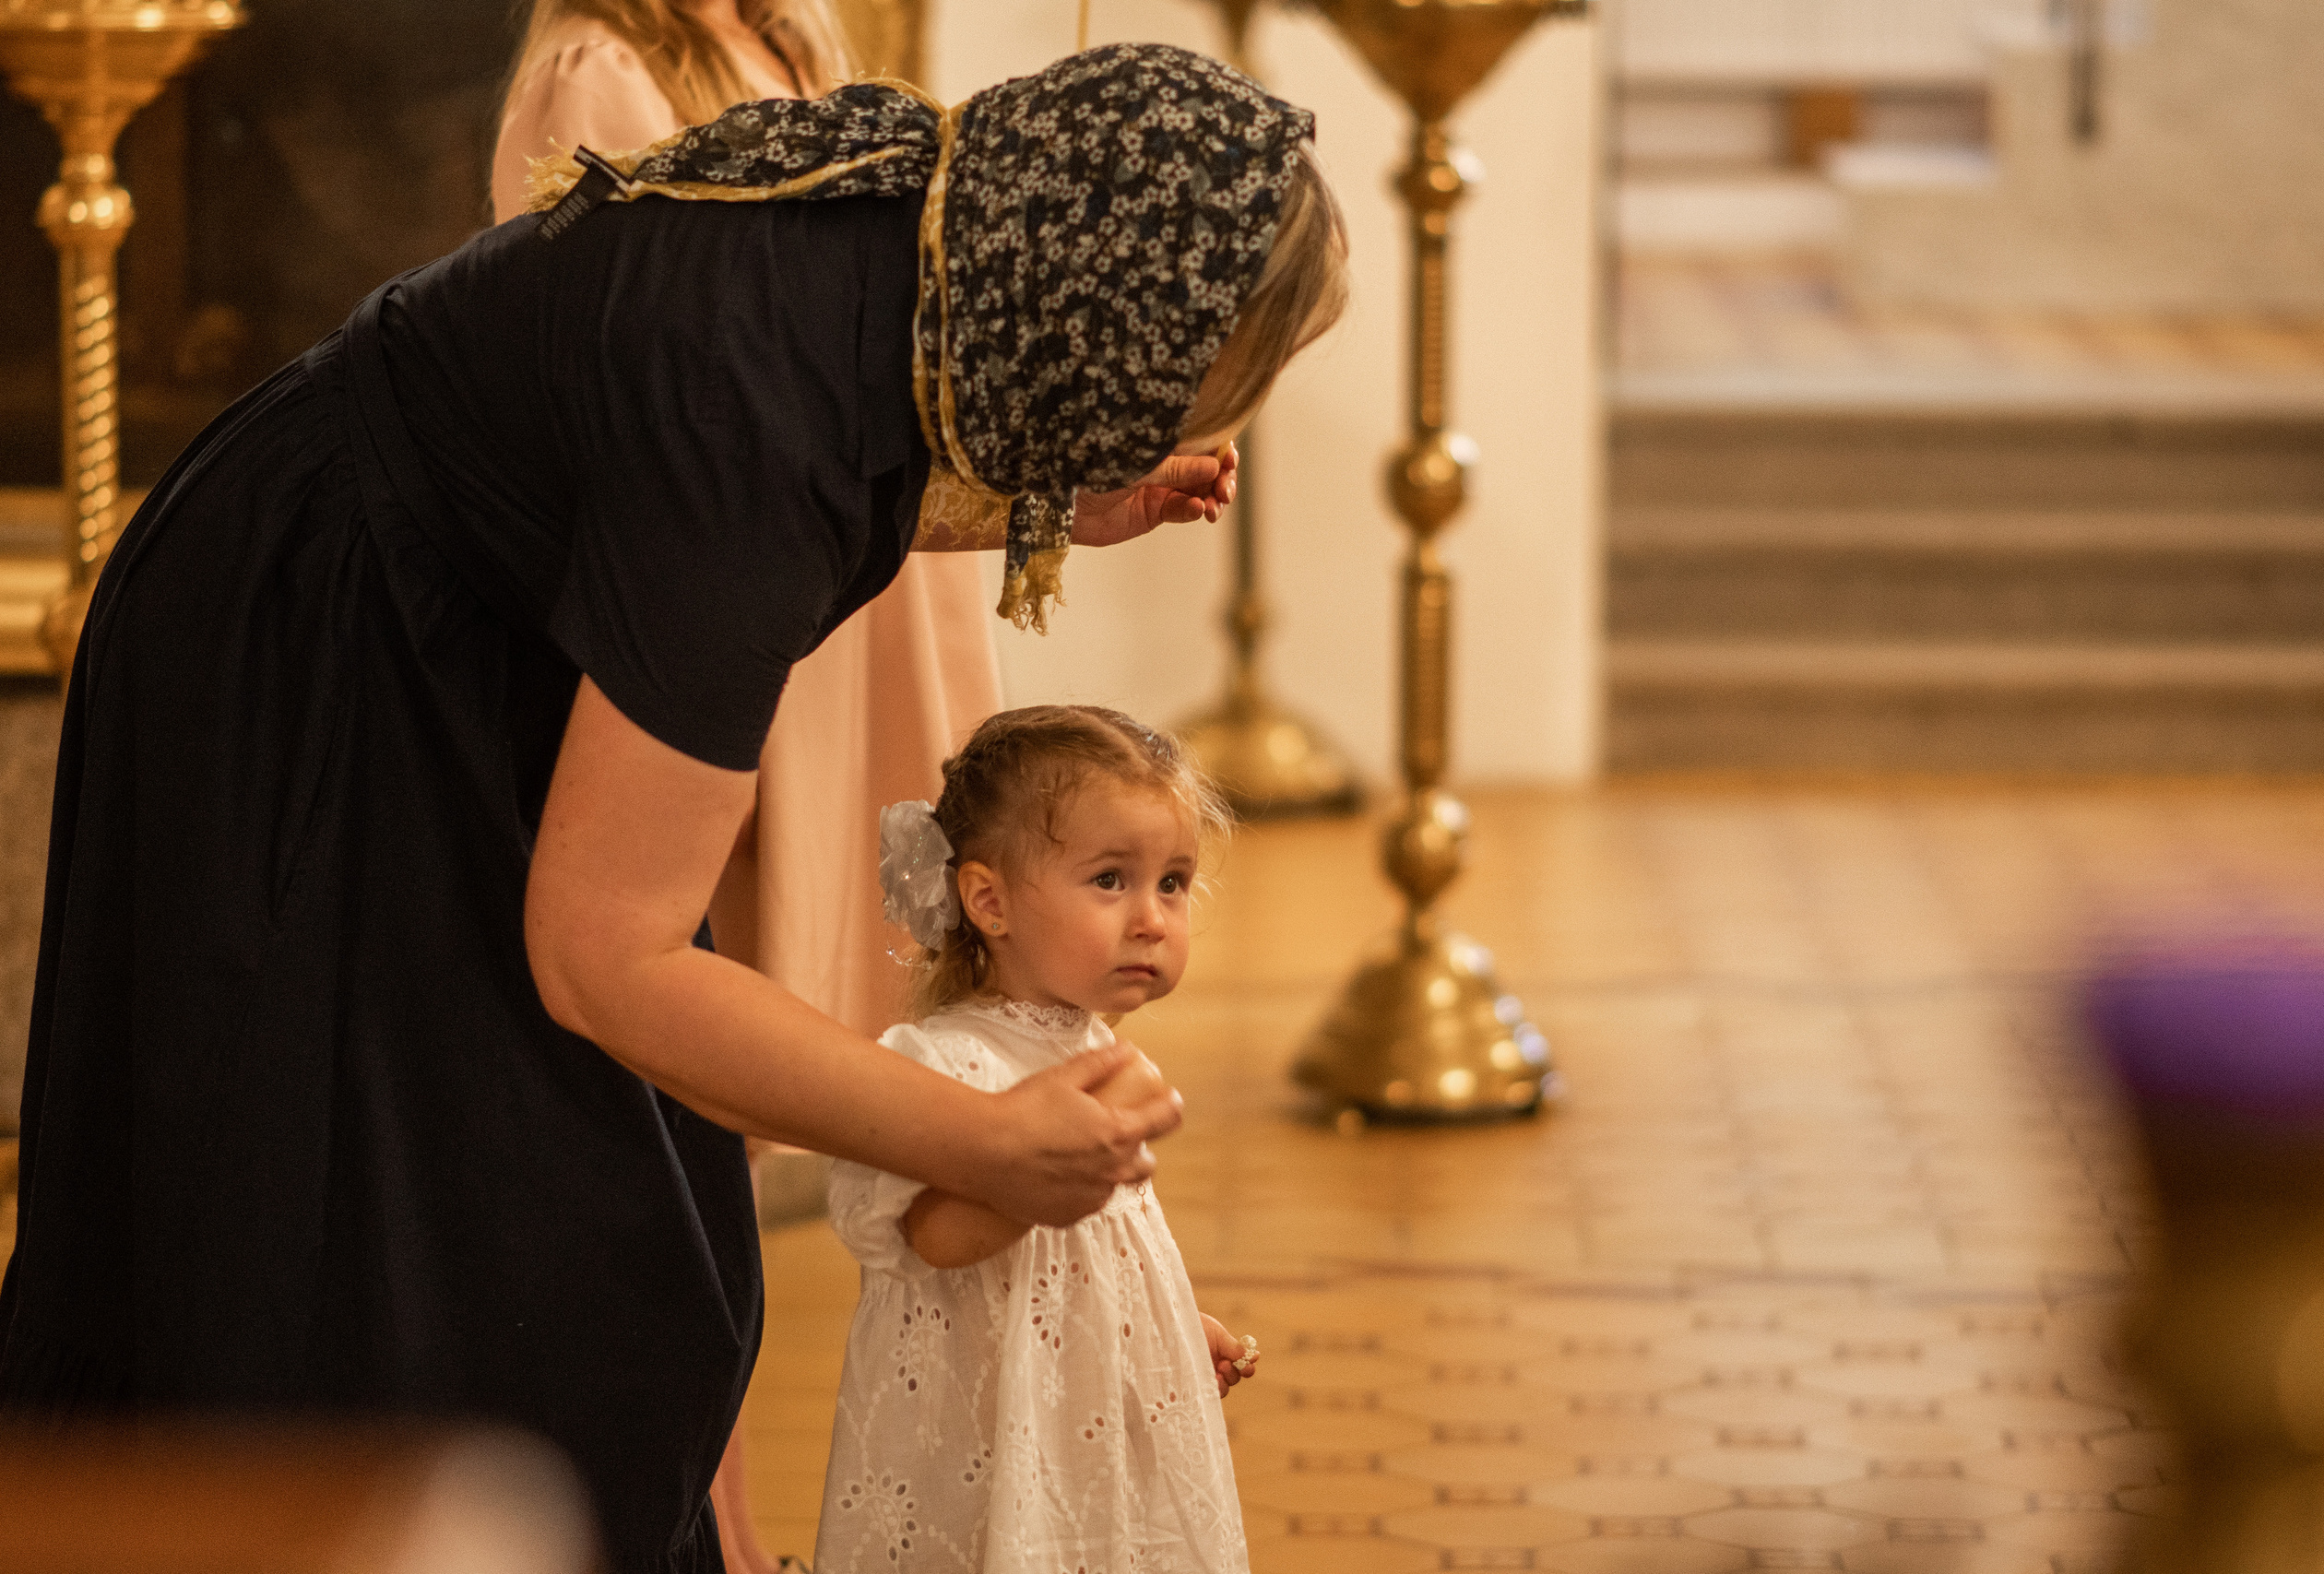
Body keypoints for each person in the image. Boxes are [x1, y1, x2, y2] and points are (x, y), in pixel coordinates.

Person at [0, 43, 1344, 1574]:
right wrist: (978, 1139)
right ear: (1103, 333)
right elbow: (605, 957)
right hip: (304, 659)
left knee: (570, 1244)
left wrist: (1058, 496)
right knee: (356, 1233)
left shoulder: (919, 221)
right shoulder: (749, 408)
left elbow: (801, 459)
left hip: (440, 631)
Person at [492, 0, 987, 1044]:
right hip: (749, 547)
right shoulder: (602, 70)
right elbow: (623, 364)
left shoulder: (785, 45)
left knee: (883, 897)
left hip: (848, 552)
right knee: (747, 921)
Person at [821, 706, 1261, 1572]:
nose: (1153, 918)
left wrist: (1162, 1323)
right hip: (990, 1429)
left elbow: (1092, 1255)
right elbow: (933, 1238)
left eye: (1172, 882)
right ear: (989, 900)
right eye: (1110, 880)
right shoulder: (946, 1062)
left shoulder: (1090, 1047)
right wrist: (1044, 1181)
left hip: (1075, 1418)